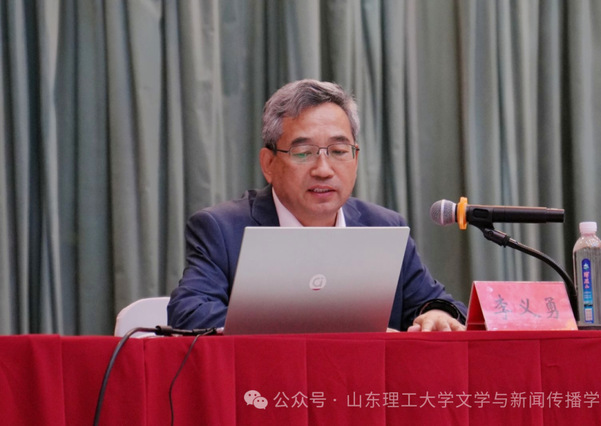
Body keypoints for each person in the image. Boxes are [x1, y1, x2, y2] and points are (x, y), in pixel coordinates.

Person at [168, 79, 467, 332]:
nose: (323, 170)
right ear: (269, 163)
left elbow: (438, 304)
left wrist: (438, 313)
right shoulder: (223, 229)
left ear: (356, 159)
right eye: (303, 153)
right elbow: (189, 312)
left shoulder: (384, 226)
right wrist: (325, 329)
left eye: (338, 151)